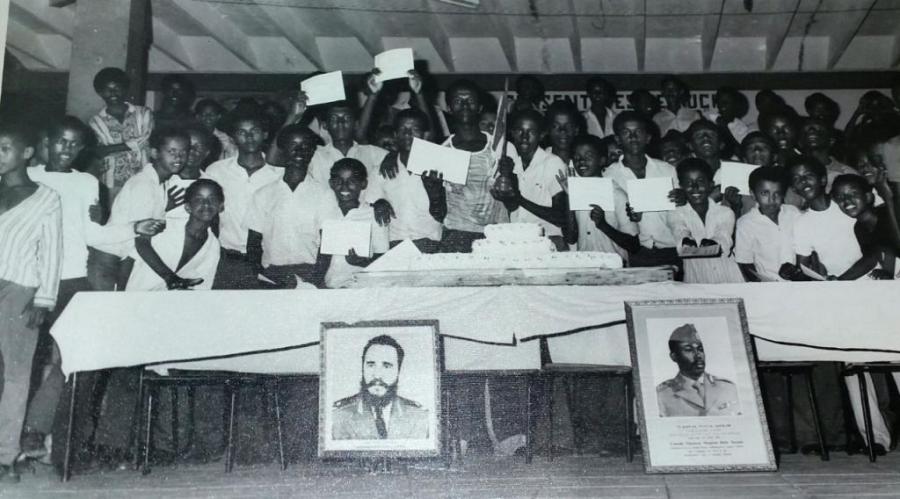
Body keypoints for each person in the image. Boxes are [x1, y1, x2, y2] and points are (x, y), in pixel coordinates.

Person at [22, 117, 164, 461]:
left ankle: (38, 434)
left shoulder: (87, 182)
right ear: (46, 141)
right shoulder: (26, 177)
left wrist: (134, 227)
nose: (67, 149)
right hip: (28, 281)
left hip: (72, 281)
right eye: (61, 141)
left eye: (74, 143)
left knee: (71, 360)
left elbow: (92, 234)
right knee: (20, 364)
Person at [0, 121, 62, 482]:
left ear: (26, 153)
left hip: (20, 291)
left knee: (16, 375)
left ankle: (6, 454)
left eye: (5, 148)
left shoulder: (46, 197)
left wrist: (44, 299)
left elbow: (51, 252)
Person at [246, 125, 333, 288]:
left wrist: (313, 280)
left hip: (310, 272)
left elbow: (327, 244)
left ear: (313, 151)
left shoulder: (324, 194)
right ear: (283, 150)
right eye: (293, 145)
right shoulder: (263, 194)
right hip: (273, 273)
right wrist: (260, 275)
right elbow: (253, 243)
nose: (299, 151)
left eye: (305, 146)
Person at [202, 108, 281, 289]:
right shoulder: (216, 171)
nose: (249, 136)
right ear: (233, 138)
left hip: (269, 260)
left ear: (265, 134)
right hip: (228, 258)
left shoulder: (278, 174)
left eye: (254, 131)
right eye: (242, 132)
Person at [437, 79, 515, 253]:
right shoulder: (442, 152)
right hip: (457, 235)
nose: (465, 105)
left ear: (479, 107)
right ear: (449, 108)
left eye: (470, 100)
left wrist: (509, 181)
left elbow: (514, 203)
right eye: (458, 101)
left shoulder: (501, 147)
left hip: (497, 234)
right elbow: (438, 206)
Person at [603, 111, 681, 271]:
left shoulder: (667, 170)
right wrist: (628, 217)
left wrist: (682, 198)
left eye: (638, 131)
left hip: (671, 247)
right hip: (636, 251)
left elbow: (680, 212)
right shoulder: (609, 175)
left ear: (648, 137)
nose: (633, 137)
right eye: (626, 132)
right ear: (617, 139)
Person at [782, 156, 873, 281]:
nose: (803, 181)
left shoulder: (846, 205)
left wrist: (840, 281)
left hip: (871, 278)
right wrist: (792, 272)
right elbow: (803, 268)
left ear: (823, 180)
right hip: (836, 286)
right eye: (796, 179)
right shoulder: (801, 224)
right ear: (793, 189)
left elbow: (872, 255)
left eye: (808, 175)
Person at [125, 179, 223, 291]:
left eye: (212, 199)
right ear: (188, 207)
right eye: (199, 200)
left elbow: (202, 285)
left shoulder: (213, 246)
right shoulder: (165, 226)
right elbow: (131, 255)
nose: (206, 204)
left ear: (221, 206)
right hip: (135, 295)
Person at [492, 110, 568, 249]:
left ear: (541, 135)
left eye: (531, 131)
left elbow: (560, 216)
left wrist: (519, 199)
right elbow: (511, 206)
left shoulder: (552, 163)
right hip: (516, 241)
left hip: (549, 241)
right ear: (512, 133)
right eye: (519, 131)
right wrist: (508, 177)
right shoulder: (511, 163)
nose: (524, 137)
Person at [374, 109, 446, 253]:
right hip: (394, 246)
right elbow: (370, 202)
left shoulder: (439, 168)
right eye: (402, 129)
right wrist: (378, 203)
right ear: (395, 135)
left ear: (425, 135)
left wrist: (435, 193)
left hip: (430, 244)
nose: (407, 134)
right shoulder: (381, 170)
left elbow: (442, 215)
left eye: (415, 129)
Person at [332, 334, 429, 440]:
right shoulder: (339, 415)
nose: (377, 375)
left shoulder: (419, 417)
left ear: (398, 371)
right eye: (371, 365)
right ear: (363, 368)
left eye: (386, 366)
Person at [558, 134, 638, 260]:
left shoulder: (617, 194)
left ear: (602, 160)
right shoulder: (575, 192)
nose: (581, 161)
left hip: (614, 268)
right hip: (585, 267)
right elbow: (571, 238)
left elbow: (633, 245)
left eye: (588, 156)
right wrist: (570, 196)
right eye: (577, 157)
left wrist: (603, 224)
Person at [668, 158, 744, 283]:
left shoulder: (725, 212)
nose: (695, 187)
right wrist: (685, 242)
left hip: (728, 276)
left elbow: (723, 236)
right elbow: (679, 231)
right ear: (681, 186)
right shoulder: (676, 213)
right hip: (696, 278)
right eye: (688, 182)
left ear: (711, 184)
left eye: (700, 181)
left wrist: (714, 243)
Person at [88, 67, 154, 202]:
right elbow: (98, 152)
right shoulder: (95, 121)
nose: (113, 93)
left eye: (117, 88)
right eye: (107, 89)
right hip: (112, 183)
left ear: (125, 88)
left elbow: (144, 140)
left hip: (143, 178)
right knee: (115, 220)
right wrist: (104, 150)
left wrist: (110, 149)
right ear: (100, 92)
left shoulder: (143, 113)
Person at [323, 158, 390, 289]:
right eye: (338, 181)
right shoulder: (326, 213)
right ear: (331, 183)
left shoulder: (375, 214)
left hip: (358, 288)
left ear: (363, 184)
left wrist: (362, 261)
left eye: (352, 181)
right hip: (329, 286)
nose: (344, 186)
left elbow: (384, 260)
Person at [306, 100, 389, 204]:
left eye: (347, 118)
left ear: (355, 124)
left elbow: (403, 159)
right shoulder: (314, 155)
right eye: (334, 119)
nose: (341, 123)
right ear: (325, 125)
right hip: (327, 217)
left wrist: (393, 157)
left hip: (364, 217)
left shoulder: (373, 153)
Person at [734, 166, 802, 282]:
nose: (772, 200)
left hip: (799, 283)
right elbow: (745, 263)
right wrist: (760, 286)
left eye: (777, 193)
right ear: (753, 194)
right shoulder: (746, 224)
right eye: (765, 193)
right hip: (768, 286)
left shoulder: (793, 213)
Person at [657, 324, 740, 418]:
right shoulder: (662, 395)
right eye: (689, 350)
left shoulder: (728, 388)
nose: (698, 355)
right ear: (674, 356)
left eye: (700, 349)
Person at [831, 174, 900, 278]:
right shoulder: (859, 228)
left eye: (853, 194)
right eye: (840, 197)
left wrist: (888, 200)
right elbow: (872, 257)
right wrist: (840, 280)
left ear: (868, 197)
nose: (846, 200)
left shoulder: (889, 213)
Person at [796, 116, 855, 192]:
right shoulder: (792, 172)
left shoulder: (847, 174)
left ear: (831, 141)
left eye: (819, 129)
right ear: (799, 142)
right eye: (806, 130)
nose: (811, 131)